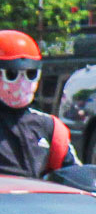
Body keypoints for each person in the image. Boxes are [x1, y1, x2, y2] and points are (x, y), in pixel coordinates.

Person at [0, 30, 72, 179]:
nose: (22, 82)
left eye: (31, 73)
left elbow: (74, 176)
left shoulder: (49, 127)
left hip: (37, 193)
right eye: (12, 74)